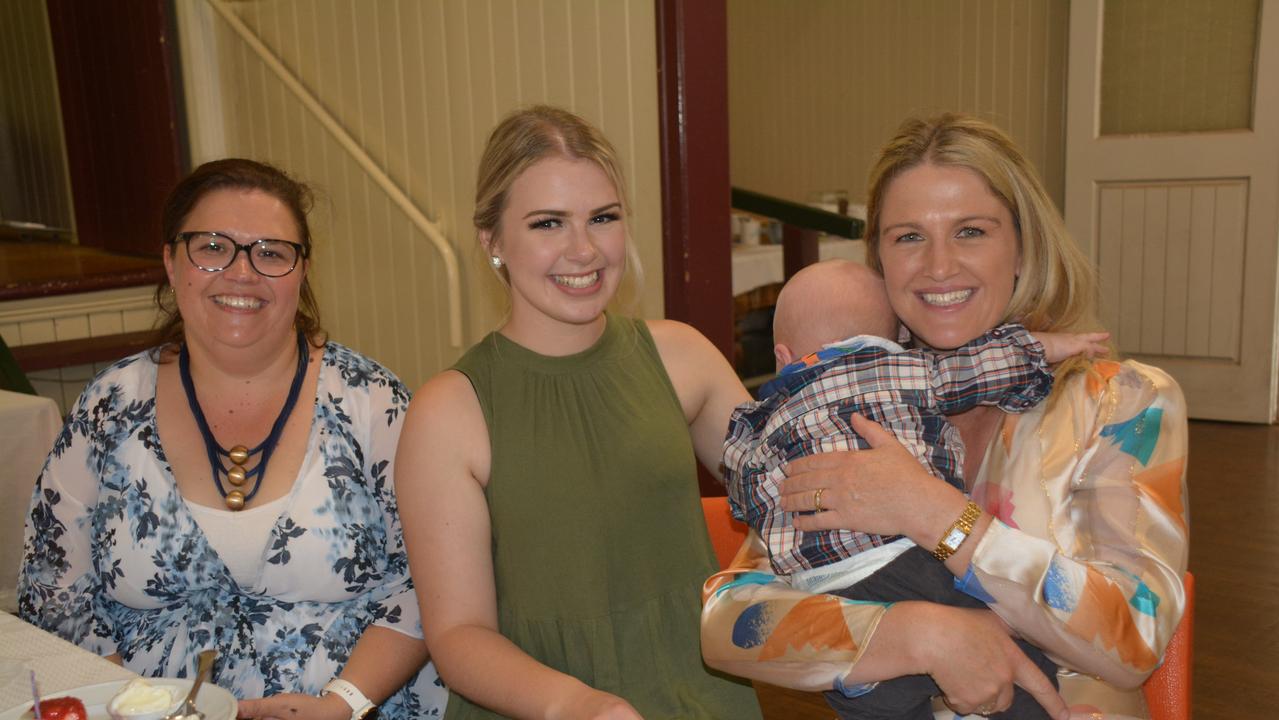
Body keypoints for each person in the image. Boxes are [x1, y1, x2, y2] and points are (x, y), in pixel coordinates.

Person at [702, 113, 1189, 720]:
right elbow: (729, 622)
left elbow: (1134, 640)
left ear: (1022, 247)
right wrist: (918, 635)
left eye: (971, 232)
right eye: (908, 237)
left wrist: (931, 512)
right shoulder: (841, 409)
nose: (938, 266)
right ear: (878, 260)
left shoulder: (1120, 404)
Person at [18, 159, 447, 719]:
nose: (242, 272)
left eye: (271, 252)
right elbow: (55, 590)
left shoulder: (373, 402)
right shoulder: (109, 407)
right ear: (172, 263)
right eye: (213, 246)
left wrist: (343, 702)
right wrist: (132, 705)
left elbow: (431, 578)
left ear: (302, 272)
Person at [396, 106, 761, 719]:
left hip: (702, 696)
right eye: (548, 223)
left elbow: (794, 494)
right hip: (540, 706)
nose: (584, 249)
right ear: (492, 240)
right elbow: (458, 636)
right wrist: (581, 707)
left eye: (603, 218)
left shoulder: (682, 357)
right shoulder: (449, 412)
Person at [725, 258, 1108, 719]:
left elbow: (746, 489)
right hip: (904, 560)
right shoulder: (901, 371)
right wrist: (1048, 347)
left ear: (783, 357)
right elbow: (979, 369)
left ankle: (871, 692)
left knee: (877, 699)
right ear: (892, 339)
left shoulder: (760, 421)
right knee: (1010, 643)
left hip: (822, 591)